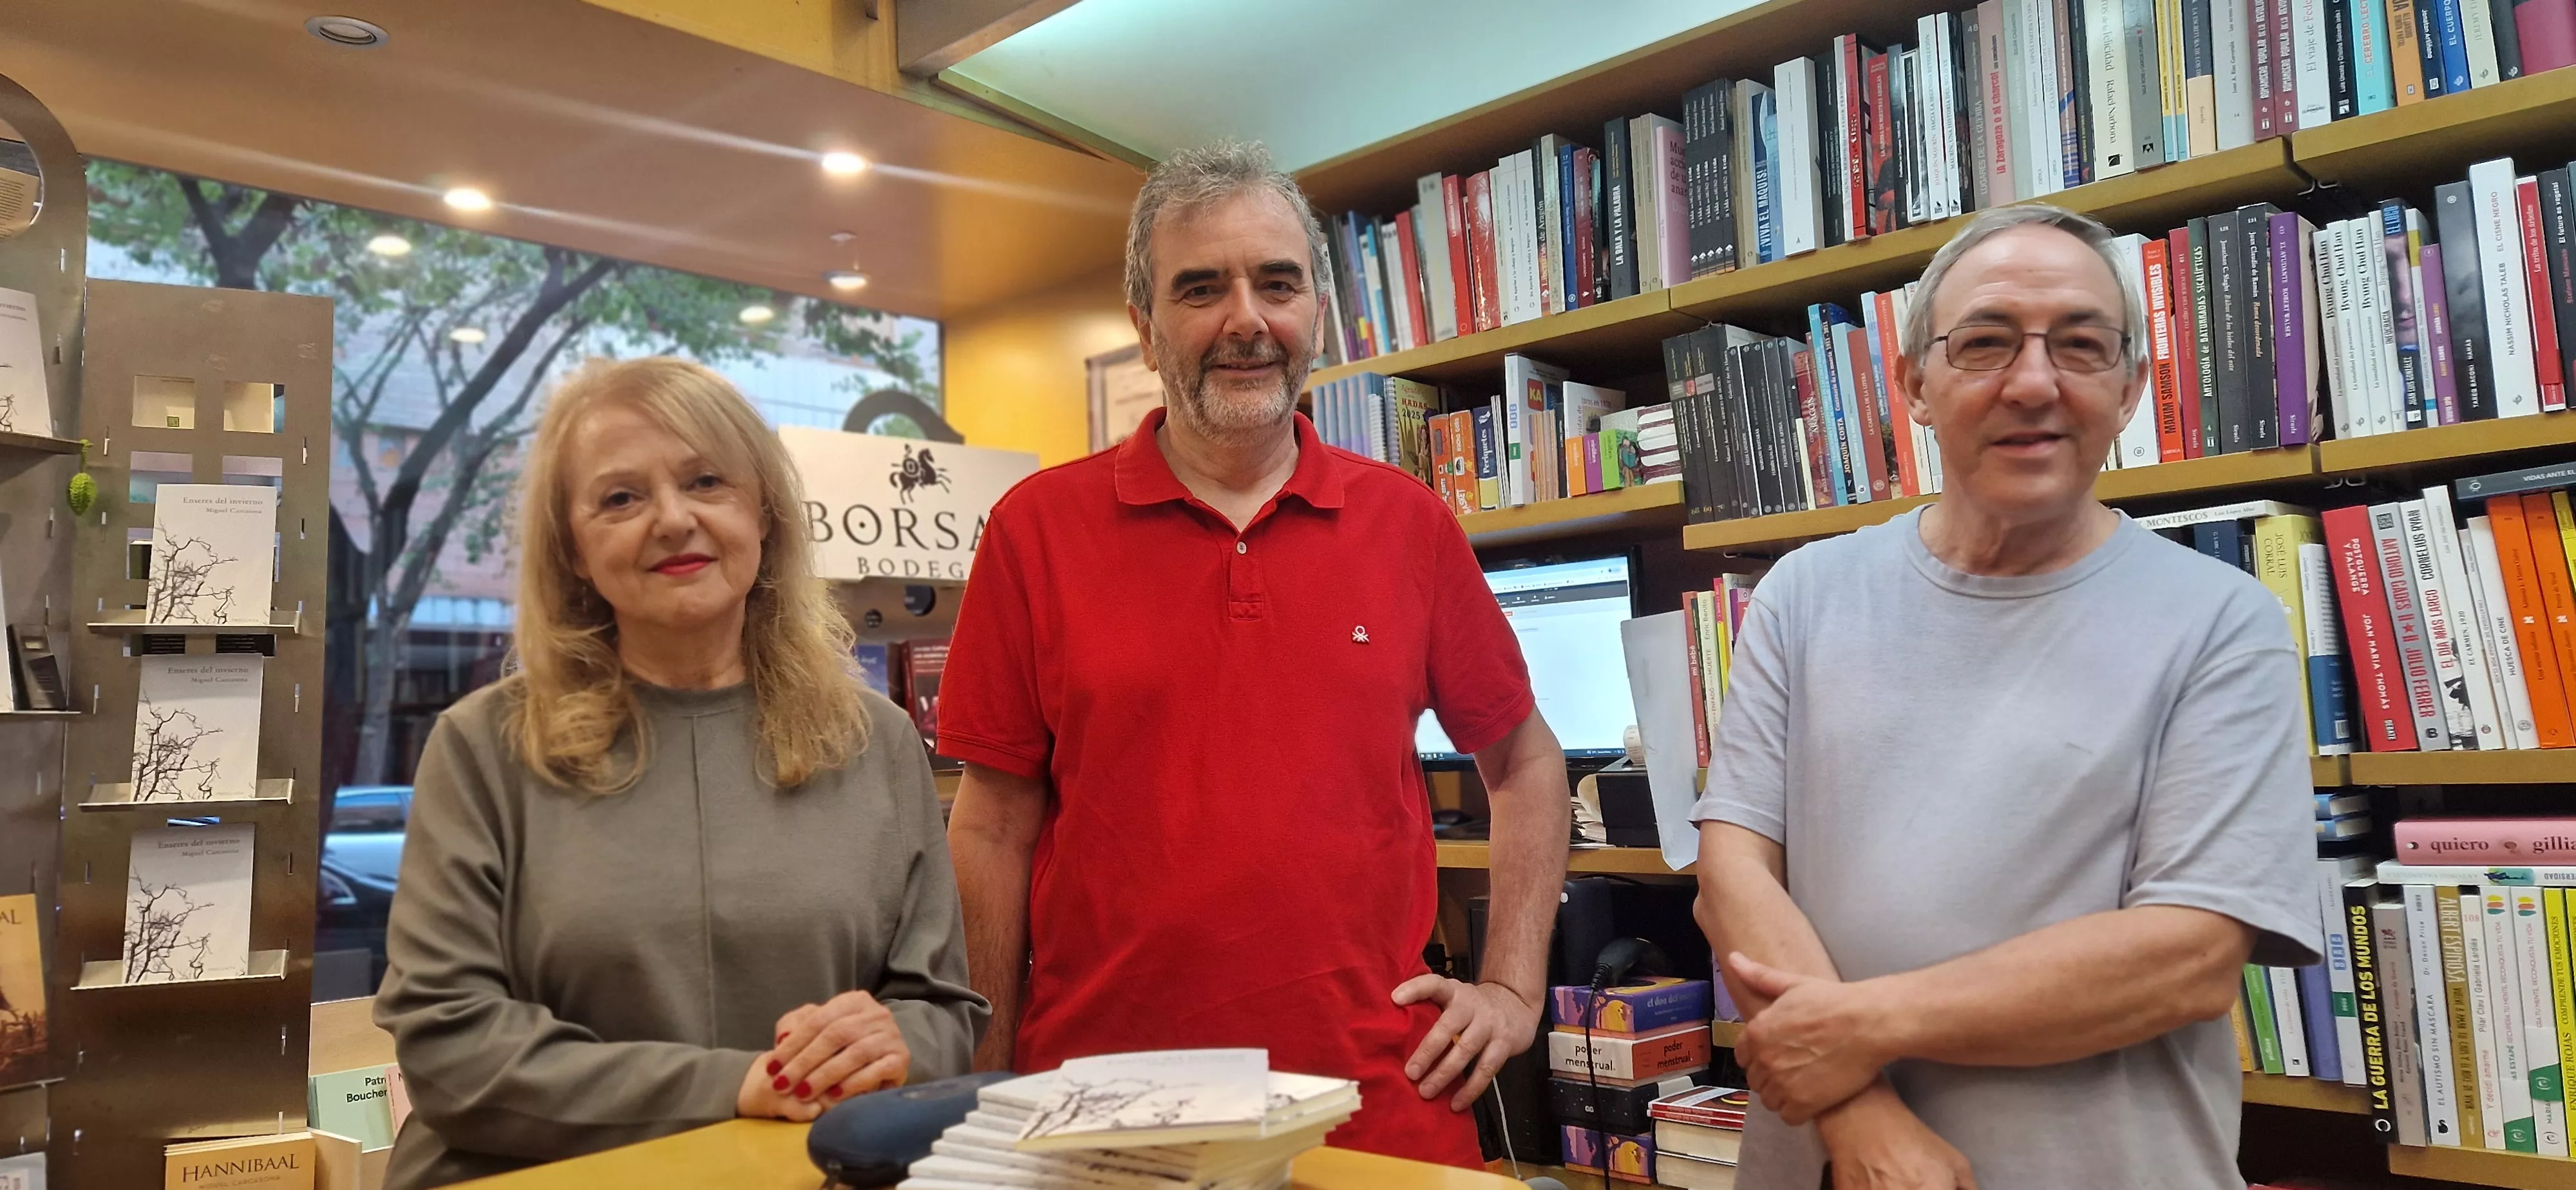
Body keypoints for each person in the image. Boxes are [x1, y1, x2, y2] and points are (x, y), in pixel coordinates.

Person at [938, 140, 1571, 1167]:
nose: (1246, 320)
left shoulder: (1408, 526)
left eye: (1277, 283)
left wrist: (1510, 986)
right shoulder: (1033, 532)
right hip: (1100, 1106)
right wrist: (987, 1060)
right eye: (1201, 289)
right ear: (1145, 330)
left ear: (1315, 310)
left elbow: (1527, 762)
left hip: (1377, 1103)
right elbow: (994, 825)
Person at [1691, 205, 2320, 1189]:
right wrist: (1858, 1112)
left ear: (2130, 388)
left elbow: (2189, 955)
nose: (2034, 383)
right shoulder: (1804, 594)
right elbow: (1732, 874)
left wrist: (1860, 1031)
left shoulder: (2223, 622)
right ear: (1916, 386)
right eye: (1985, 343)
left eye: (2081, 345)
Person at [374, 357, 985, 1189]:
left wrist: (891, 1043)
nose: (672, 519)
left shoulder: (873, 741)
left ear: (763, 514)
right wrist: (737, 1086)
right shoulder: (484, 748)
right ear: (574, 550)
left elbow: (943, 1012)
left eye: (707, 481)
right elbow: (450, 1048)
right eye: (620, 498)